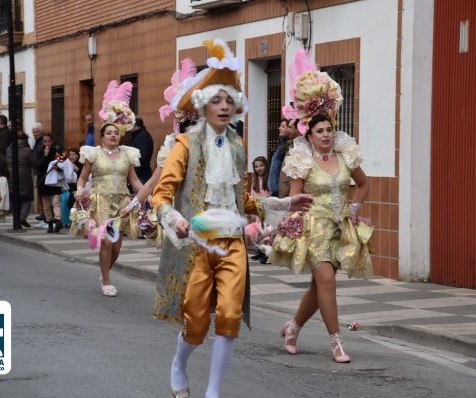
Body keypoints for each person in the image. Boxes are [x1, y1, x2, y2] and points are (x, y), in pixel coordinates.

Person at [151, 39, 312, 398]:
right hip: (195, 243)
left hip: (232, 242)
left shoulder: (238, 145)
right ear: (203, 105)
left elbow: (243, 200)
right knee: (195, 322)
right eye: (216, 100)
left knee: (228, 317)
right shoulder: (185, 145)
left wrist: (285, 203)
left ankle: (213, 392)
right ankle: (179, 364)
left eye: (229, 100)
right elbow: (162, 195)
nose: (224, 107)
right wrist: (175, 219)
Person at [271, 50, 373, 363]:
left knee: (320, 289)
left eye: (329, 130)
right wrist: (290, 225)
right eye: (320, 132)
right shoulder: (303, 159)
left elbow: (365, 184)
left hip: (341, 227)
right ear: (311, 136)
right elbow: (296, 198)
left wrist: (355, 208)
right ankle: (337, 342)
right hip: (314, 229)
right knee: (326, 282)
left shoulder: (345, 156)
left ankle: (293, 326)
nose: (326, 135)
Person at [74, 80, 144, 297]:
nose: (113, 135)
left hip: (121, 202)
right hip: (100, 201)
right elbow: (83, 178)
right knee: (105, 240)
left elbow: (134, 180)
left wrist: (146, 194)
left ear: (120, 135)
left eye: (116, 132)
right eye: (109, 132)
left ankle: (106, 271)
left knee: (116, 246)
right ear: (102, 136)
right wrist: (79, 190)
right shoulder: (92, 153)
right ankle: (106, 279)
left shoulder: (128, 154)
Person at [120, 57, 200, 220]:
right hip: (180, 213)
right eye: (188, 128)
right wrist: (131, 206)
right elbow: (151, 183)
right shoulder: (173, 147)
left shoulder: (212, 144)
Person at [35, 132, 63, 233]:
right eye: (45, 141)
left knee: (56, 201)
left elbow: (62, 164)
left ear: (52, 141)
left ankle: (58, 220)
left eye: (49, 141)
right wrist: (45, 155)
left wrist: (58, 167)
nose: (47, 143)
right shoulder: (39, 151)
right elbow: (38, 166)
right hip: (43, 180)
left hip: (55, 180)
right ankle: (50, 223)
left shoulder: (57, 151)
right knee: (46, 205)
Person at [6, 131, 34, 228]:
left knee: (14, 198)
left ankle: (16, 219)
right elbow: (33, 162)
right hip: (24, 176)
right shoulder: (27, 150)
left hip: (11, 176)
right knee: (26, 198)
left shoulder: (8, 149)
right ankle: (22, 216)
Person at [278, 118, 300, 198]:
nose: (287, 130)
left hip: (291, 195)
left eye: (290, 127)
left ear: (298, 129)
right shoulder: (290, 145)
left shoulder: (301, 149)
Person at [129, 117, 153, 184]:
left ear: (134, 125)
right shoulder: (139, 135)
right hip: (139, 176)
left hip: (141, 177)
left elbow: (141, 158)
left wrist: (132, 173)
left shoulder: (142, 136)